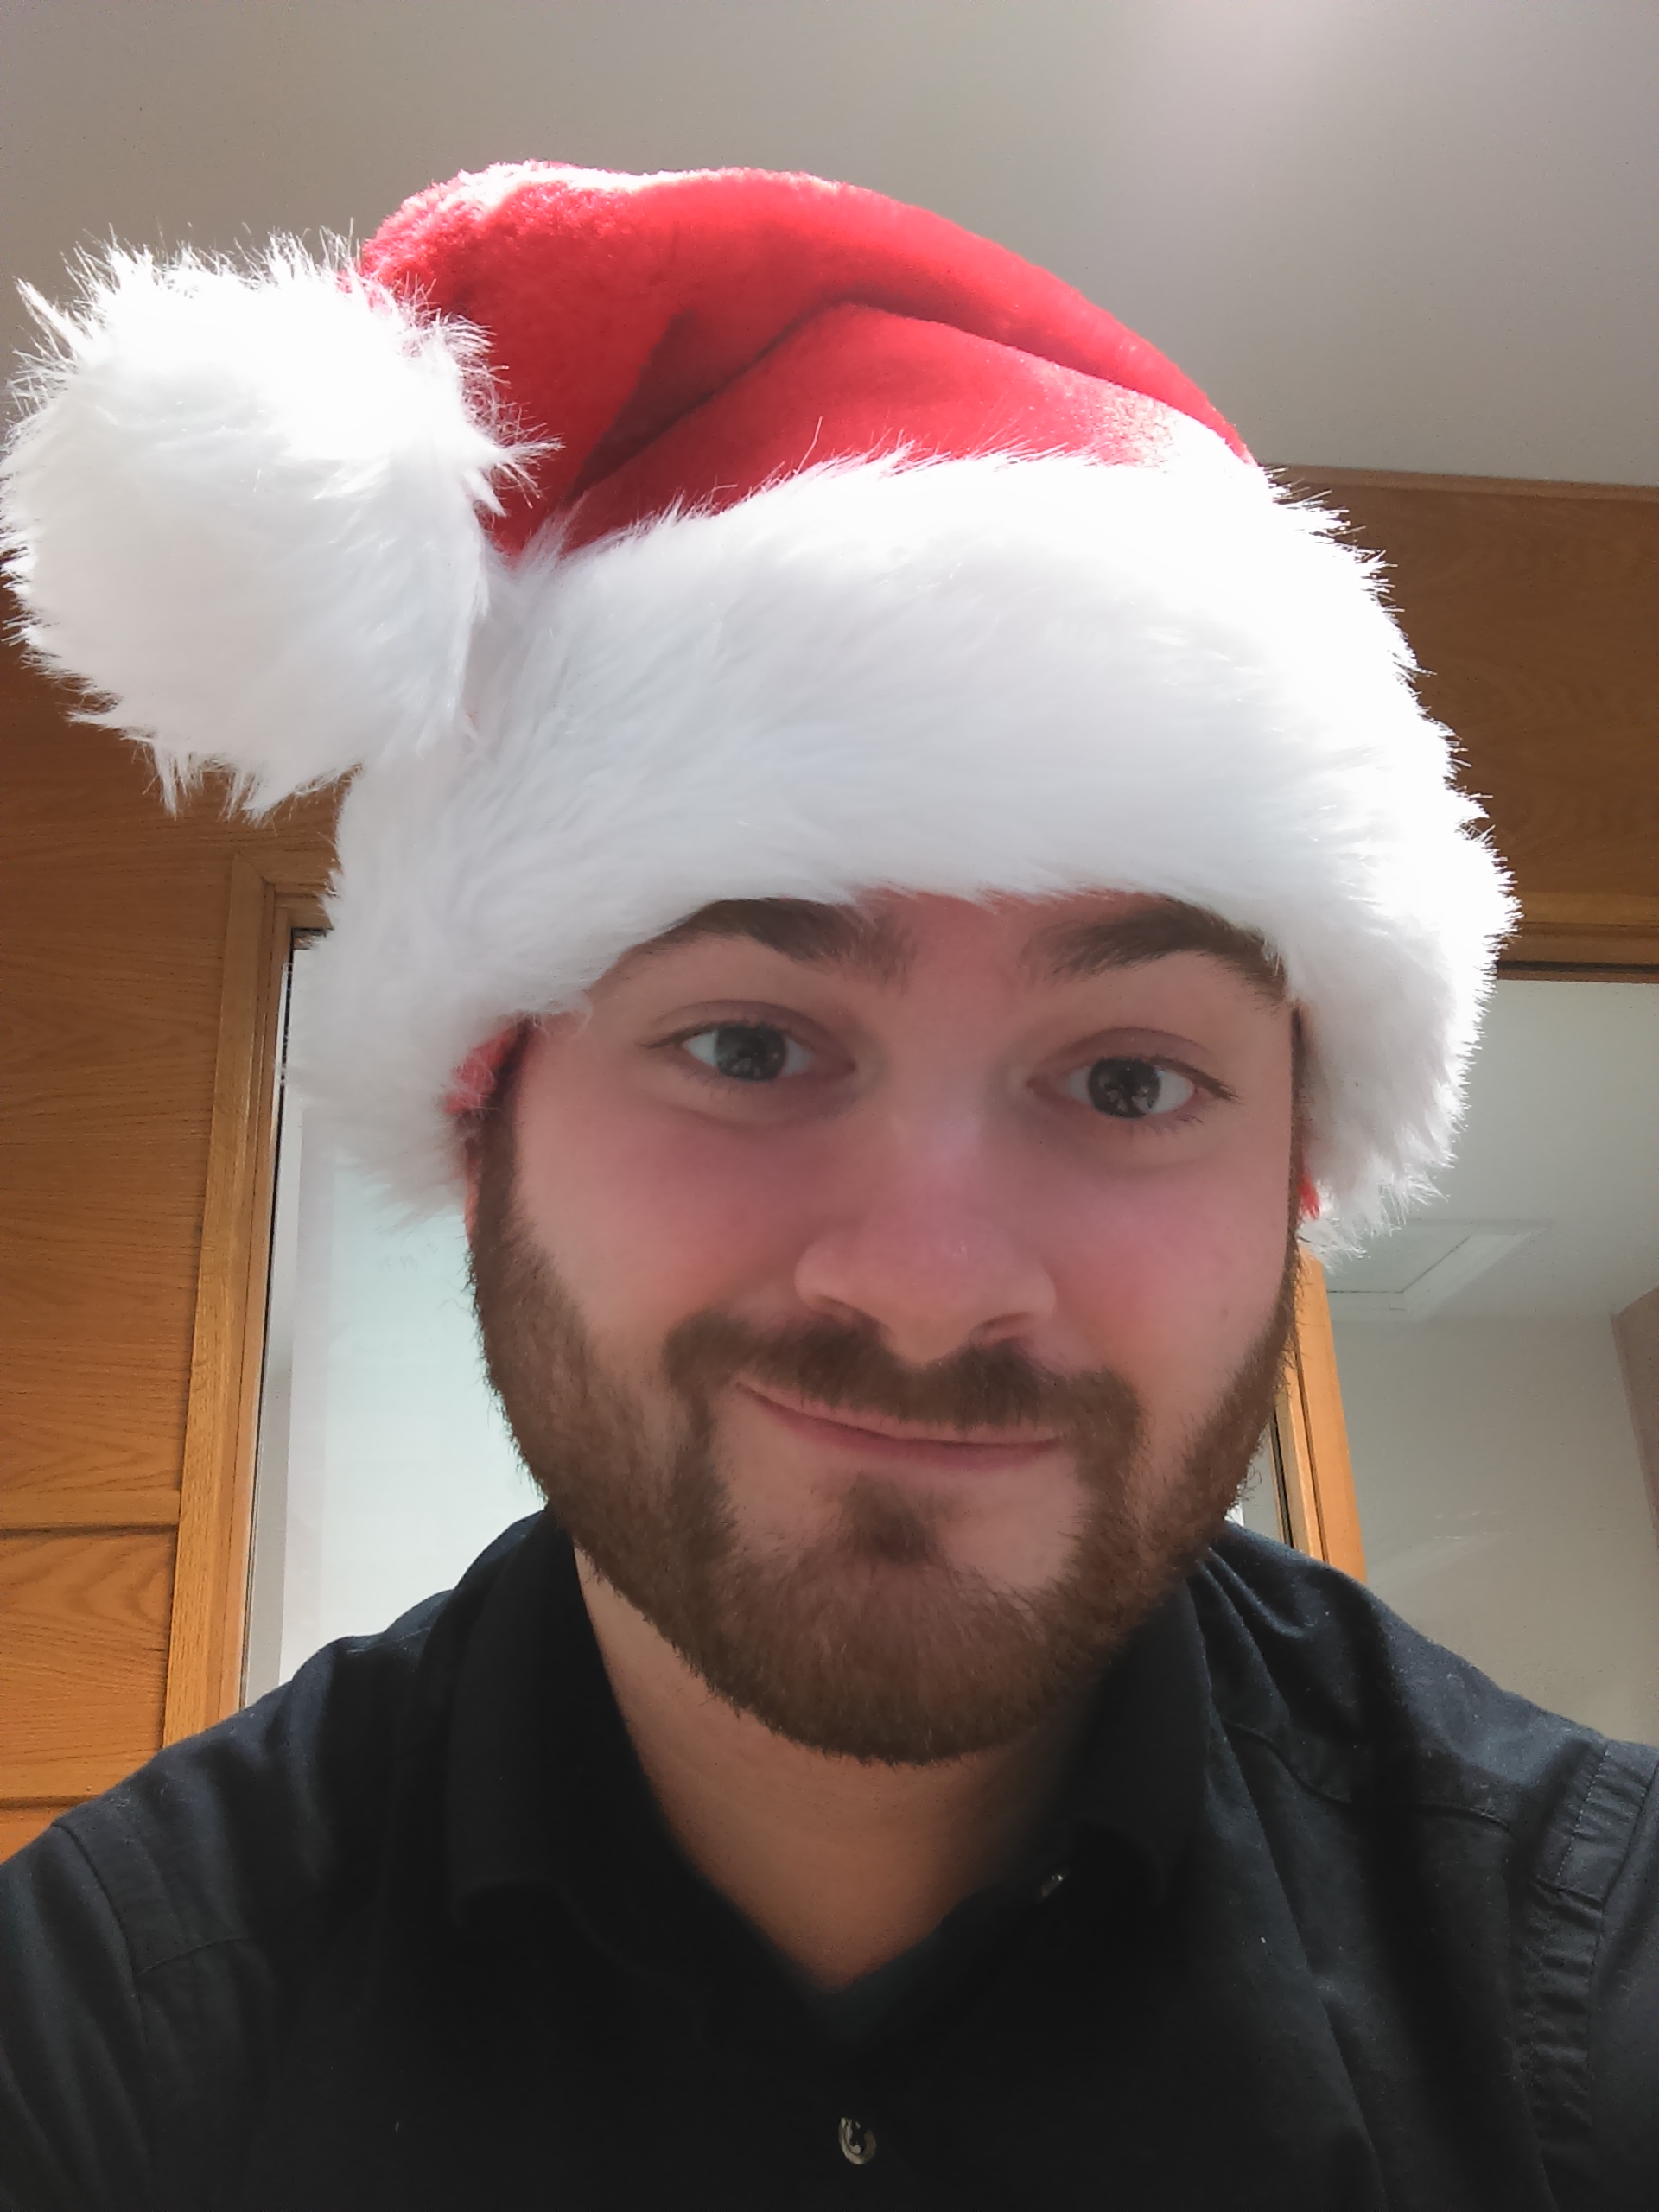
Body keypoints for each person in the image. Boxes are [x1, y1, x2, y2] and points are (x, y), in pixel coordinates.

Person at [0, 162, 1652, 2211]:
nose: (931, 1279)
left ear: (1296, 1172)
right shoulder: (110, 2023)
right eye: (750, 1045)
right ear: (483, 1109)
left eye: (1129, 1077)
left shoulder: (1582, 1984)